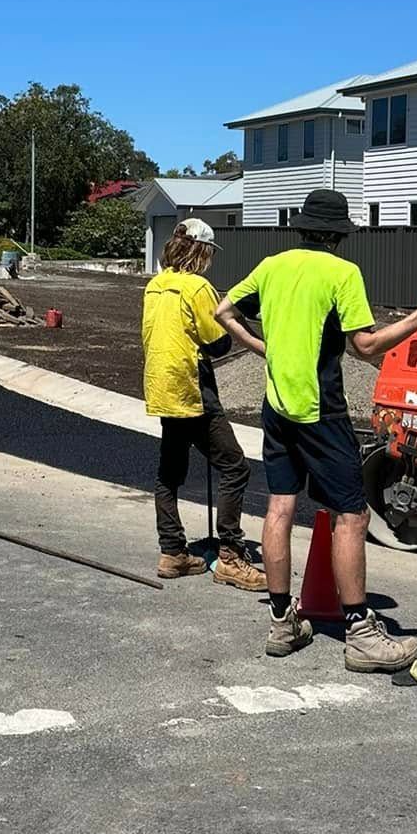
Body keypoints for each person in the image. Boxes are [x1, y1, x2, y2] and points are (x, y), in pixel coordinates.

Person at [214, 188, 417, 670]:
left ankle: (283, 620)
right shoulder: (343, 274)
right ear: (339, 235)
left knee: (280, 507)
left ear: (303, 228)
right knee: (352, 514)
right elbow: (364, 347)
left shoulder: (272, 266)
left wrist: (263, 349)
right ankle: (361, 633)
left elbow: (223, 311)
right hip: (321, 411)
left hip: (277, 407)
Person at [141, 220, 266, 590]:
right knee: (235, 467)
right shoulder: (198, 287)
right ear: (201, 250)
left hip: (161, 387)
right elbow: (218, 343)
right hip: (192, 389)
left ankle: (173, 551)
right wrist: (235, 323)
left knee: (169, 473)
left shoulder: (155, 285)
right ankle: (229, 555)